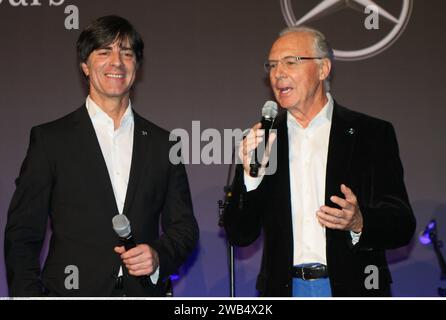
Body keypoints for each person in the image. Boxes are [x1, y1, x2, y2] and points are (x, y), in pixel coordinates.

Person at [4, 15, 199, 297]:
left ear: (137, 67)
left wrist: (158, 256)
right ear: (85, 65)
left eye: (127, 54)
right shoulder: (50, 140)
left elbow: (184, 227)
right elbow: (21, 233)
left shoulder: (164, 143)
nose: (117, 62)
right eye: (104, 52)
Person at [224, 26, 416, 297]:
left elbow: (402, 224)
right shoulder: (263, 141)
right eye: (272, 65)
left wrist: (360, 222)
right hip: (285, 289)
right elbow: (239, 234)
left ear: (323, 69)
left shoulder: (370, 134)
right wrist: (251, 177)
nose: (278, 73)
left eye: (290, 62)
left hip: (353, 287)